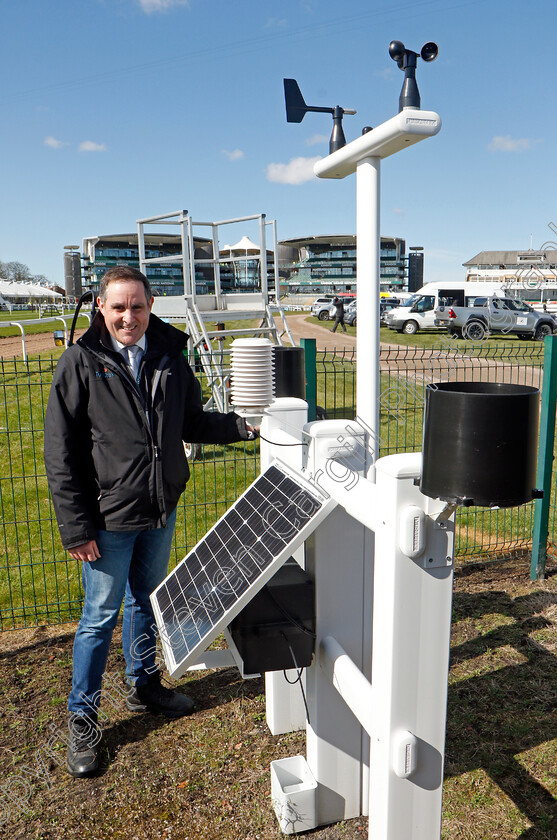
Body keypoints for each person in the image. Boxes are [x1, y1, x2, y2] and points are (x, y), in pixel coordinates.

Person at [44, 266, 257, 779]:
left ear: (151, 306)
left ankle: (143, 686)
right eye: (118, 307)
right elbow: (61, 453)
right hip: (107, 519)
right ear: (101, 306)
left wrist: (247, 426)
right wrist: (76, 528)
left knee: (146, 601)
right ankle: (84, 718)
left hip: (159, 509)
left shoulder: (168, 357)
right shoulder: (80, 363)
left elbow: (193, 422)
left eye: (137, 306)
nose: (128, 316)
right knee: (99, 617)